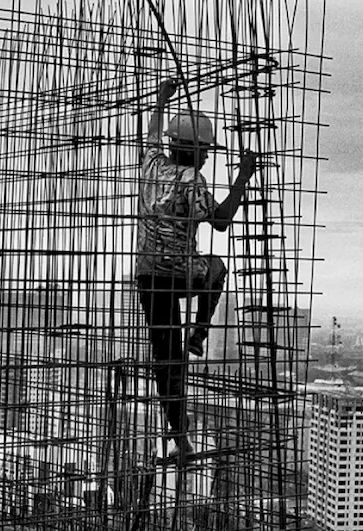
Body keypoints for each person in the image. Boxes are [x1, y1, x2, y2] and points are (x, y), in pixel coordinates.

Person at [136, 79, 257, 457]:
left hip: (147, 275)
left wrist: (159, 101)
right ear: (194, 150)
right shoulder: (193, 180)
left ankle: (180, 436)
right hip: (182, 275)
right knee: (218, 268)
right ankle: (200, 332)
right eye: (204, 150)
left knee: (165, 360)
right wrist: (242, 177)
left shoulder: (152, 164)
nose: (206, 157)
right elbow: (220, 220)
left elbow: (153, 133)